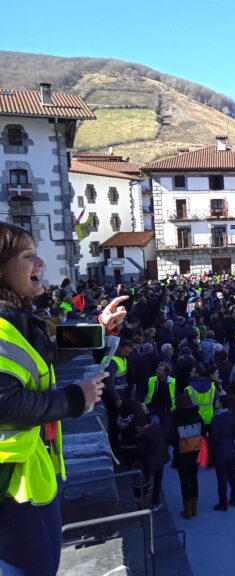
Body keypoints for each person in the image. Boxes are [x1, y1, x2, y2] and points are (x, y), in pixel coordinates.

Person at [0, 224, 126, 576]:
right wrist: (76, 397)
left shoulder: (15, 319)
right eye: (27, 256)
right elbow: (5, 403)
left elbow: (48, 349)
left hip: (25, 482)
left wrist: (101, 323)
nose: (40, 261)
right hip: (14, 488)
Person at [170, 393, 202, 519]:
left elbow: (171, 438)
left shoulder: (176, 419)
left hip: (182, 454)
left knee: (184, 481)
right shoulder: (197, 415)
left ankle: (187, 509)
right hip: (196, 451)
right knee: (194, 479)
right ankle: (194, 508)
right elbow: (203, 431)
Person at [209, 396, 235, 511]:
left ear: (221, 404)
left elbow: (214, 438)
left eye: (216, 401)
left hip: (220, 451)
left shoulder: (215, 418)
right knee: (232, 474)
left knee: (221, 478)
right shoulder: (231, 415)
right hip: (231, 448)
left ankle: (223, 503)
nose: (214, 403)